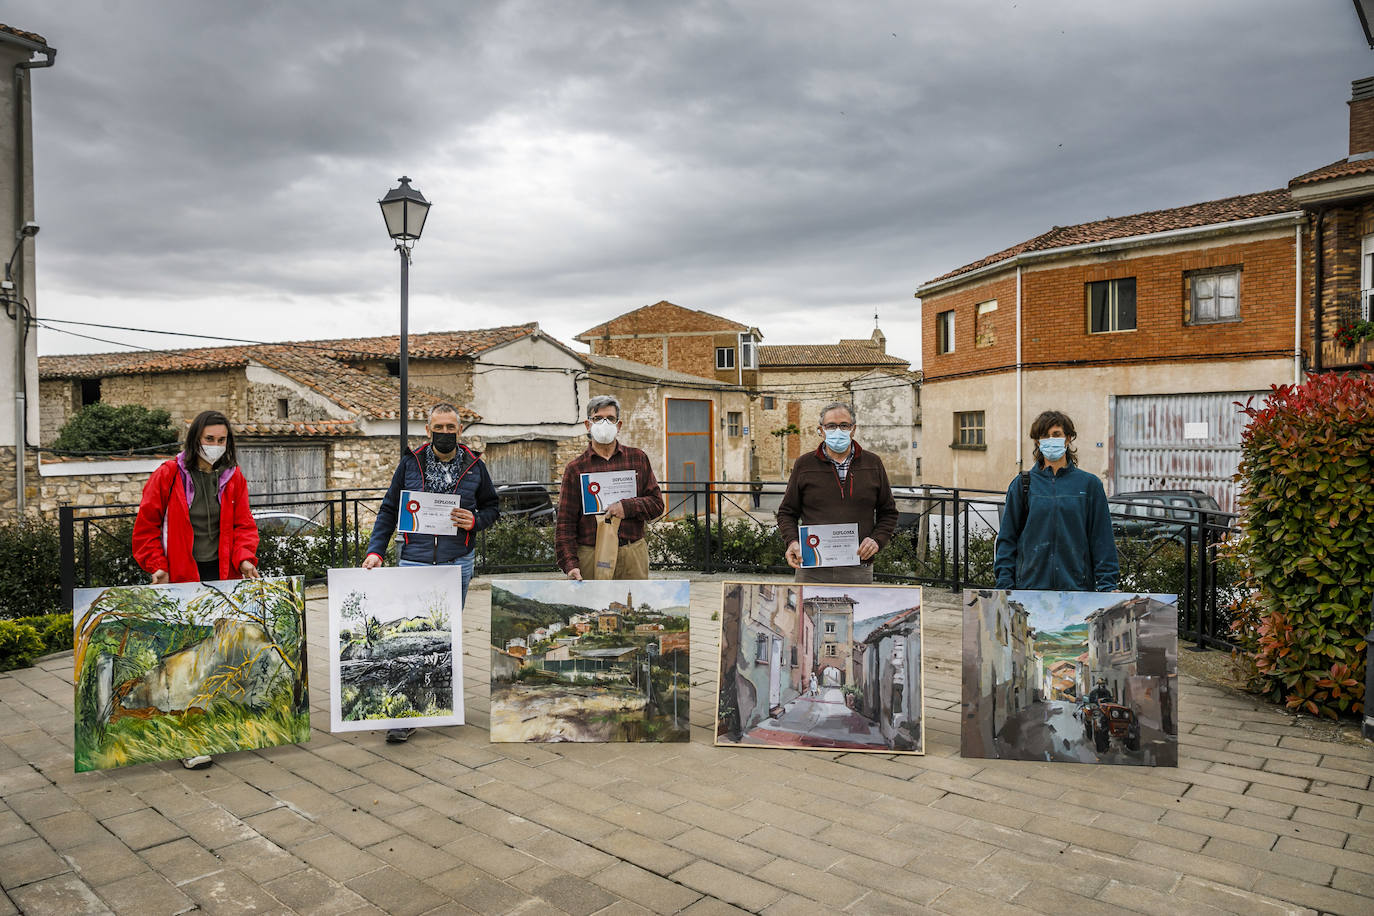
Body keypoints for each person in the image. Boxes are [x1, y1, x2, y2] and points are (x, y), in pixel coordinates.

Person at [363, 402, 500, 741]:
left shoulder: (475, 466)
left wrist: (476, 521)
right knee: (412, 639)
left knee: (444, 636)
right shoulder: (410, 463)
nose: (444, 433)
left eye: (450, 427)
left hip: (458, 563)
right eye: (438, 428)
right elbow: (389, 509)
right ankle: (405, 715)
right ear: (428, 430)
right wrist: (375, 551)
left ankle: (441, 700)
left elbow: (493, 507)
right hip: (415, 561)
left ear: (460, 430)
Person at [132, 409, 260, 769]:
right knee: (182, 657)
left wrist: (246, 558)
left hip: (221, 576)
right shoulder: (168, 475)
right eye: (209, 440)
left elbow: (243, 525)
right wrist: (156, 565)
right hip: (180, 578)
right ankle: (187, 739)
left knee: (217, 654)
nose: (215, 446)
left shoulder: (233, 478)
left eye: (221, 441)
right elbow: (146, 526)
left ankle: (216, 725)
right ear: (194, 440)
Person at [994, 409, 1119, 592]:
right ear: (1037, 441)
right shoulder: (1022, 484)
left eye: (1056, 434)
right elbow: (1007, 538)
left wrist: (1107, 585)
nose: (1051, 440)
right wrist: (1005, 585)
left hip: (1077, 591)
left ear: (1068, 438)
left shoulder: (1090, 485)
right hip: (1029, 589)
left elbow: (1102, 539)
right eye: (1045, 435)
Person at [776, 401, 898, 584]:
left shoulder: (873, 464)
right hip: (812, 567)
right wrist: (792, 542)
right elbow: (786, 512)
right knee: (807, 612)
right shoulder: (804, 465)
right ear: (821, 430)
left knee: (855, 611)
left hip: (858, 567)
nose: (838, 430)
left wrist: (876, 540)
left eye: (844, 425)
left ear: (853, 429)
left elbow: (888, 512)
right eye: (831, 426)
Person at [555, 395, 665, 580]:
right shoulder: (576, 468)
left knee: (632, 607)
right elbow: (565, 523)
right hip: (590, 553)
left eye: (610, 419)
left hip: (631, 552)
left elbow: (656, 505)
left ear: (618, 425)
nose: (604, 423)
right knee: (593, 607)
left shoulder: (637, 459)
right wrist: (570, 564)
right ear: (588, 425)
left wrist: (627, 507)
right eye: (598, 418)